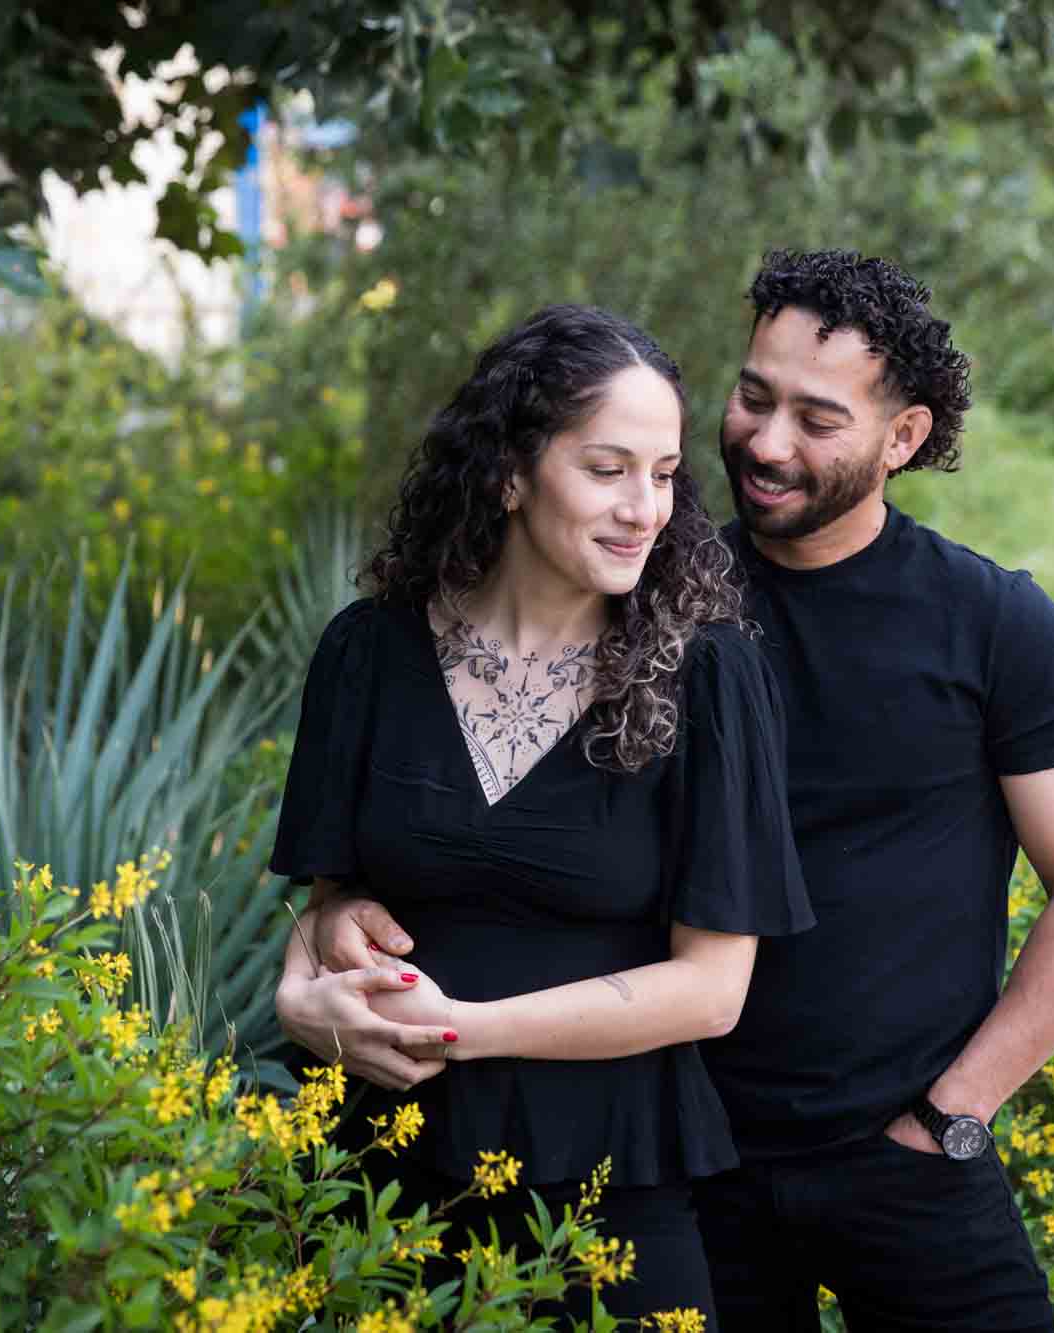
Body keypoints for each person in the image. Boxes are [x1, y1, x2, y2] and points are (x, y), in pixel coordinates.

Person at [290, 251, 1054, 1333]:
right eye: (751, 397)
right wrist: (328, 931)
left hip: (897, 1156)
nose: (766, 440)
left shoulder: (992, 624)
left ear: (904, 437)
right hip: (691, 1153)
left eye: (816, 418)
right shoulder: (655, 596)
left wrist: (951, 1117)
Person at [268, 303, 811, 1327]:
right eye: (606, 469)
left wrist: (463, 1031)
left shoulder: (707, 675)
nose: (642, 508)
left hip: (605, 1192)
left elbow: (711, 990)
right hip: (372, 1172)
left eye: (661, 474)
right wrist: (311, 982)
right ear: (510, 472)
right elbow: (330, 898)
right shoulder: (367, 652)